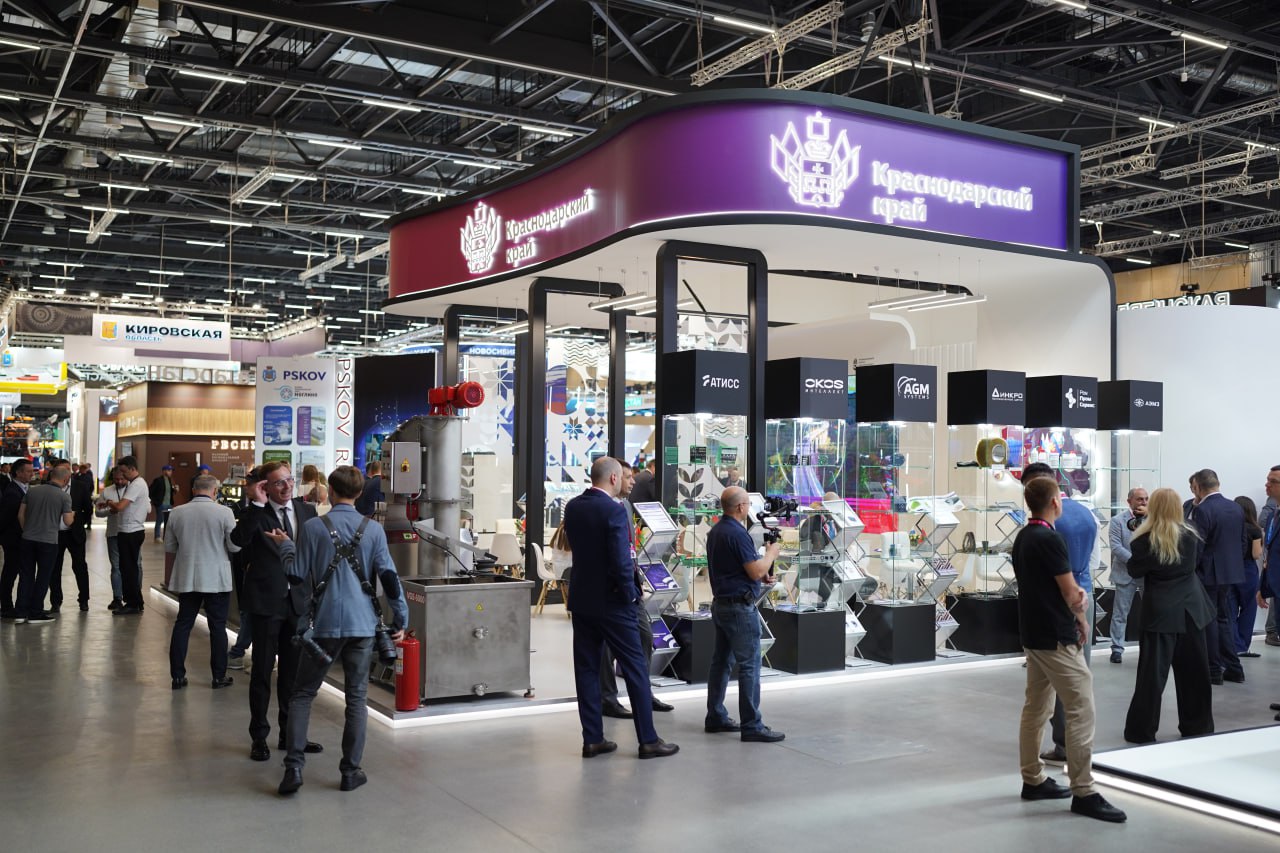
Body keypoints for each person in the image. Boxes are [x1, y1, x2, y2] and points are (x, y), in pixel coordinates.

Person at [273, 465, 409, 795]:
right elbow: (389, 578)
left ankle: (294, 768)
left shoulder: (313, 528)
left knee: (302, 694)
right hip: (363, 626)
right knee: (356, 699)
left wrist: (285, 547)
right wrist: (401, 619)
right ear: (360, 493)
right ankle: (350, 771)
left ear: (330, 492)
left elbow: (295, 575)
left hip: (322, 625)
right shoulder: (373, 531)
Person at [1011, 475, 1126, 823]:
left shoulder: (1024, 536)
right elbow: (1070, 590)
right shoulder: (1050, 539)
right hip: (1056, 637)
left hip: (1034, 635)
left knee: (1037, 707)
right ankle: (1084, 790)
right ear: (1055, 502)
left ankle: (1033, 778)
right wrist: (1082, 610)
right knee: (1081, 707)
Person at [563, 456, 678, 760]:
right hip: (614, 603)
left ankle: (592, 739)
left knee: (587, 670)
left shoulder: (573, 507)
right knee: (635, 667)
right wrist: (631, 596)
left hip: (582, 600)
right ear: (614, 478)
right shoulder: (613, 510)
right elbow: (621, 560)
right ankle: (648, 740)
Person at [231, 461, 320, 763]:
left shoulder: (307, 511)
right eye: (278, 482)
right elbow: (238, 541)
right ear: (264, 487)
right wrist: (256, 503)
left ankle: (290, 734)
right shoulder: (256, 513)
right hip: (266, 604)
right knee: (261, 672)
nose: (287, 486)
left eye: (289, 480)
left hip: (298, 603)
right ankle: (259, 736)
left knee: (292, 676)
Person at [1122, 487, 1215, 743]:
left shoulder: (1145, 539)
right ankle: (1198, 726)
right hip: (1192, 609)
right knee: (1195, 672)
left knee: (1151, 676)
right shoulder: (1191, 534)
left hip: (1160, 613)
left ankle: (1141, 731)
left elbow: (1134, 570)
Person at [1022, 462, 1097, 765]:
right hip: (1082, 594)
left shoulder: (1038, 532)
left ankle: (1061, 757)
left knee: (1051, 697)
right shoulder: (1087, 515)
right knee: (1077, 683)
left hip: (1054, 611)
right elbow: (1093, 561)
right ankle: (1076, 769)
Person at [705, 486, 786, 744]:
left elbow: (738, 569)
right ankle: (752, 725)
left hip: (722, 605)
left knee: (721, 663)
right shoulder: (738, 534)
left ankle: (715, 715)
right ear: (740, 507)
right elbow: (755, 571)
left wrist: (760, 573)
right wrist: (771, 554)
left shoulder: (717, 531)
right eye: (748, 505)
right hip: (739, 609)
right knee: (750, 664)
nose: (749, 509)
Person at [598, 460, 672, 720]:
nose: (633, 482)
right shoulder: (599, 507)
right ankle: (607, 698)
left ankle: (642, 694)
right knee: (606, 647)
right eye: (628, 477)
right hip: (608, 589)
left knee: (644, 636)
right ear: (615, 478)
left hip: (631, 585)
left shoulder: (627, 506)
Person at [165, 473, 240, 690]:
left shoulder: (177, 512)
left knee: (183, 624)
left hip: (187, 577)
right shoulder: (225, 512)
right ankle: (218, 676)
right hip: (216, 579)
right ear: (215, 491)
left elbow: (170, 546)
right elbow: (234, 546)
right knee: (217, 627)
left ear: (193, 490)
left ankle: (177, 676)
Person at [1187, 468, 1246, 685]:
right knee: (1223, 619)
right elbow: (1242, 542)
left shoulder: (1203, 509)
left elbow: (1198, 545)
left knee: (1209, 621)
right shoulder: (1235, 507)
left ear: (1198, 487)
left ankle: (1213, 670)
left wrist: (1190, 571)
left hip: (1208, 574)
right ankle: (1234, 668)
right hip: (1230, 572)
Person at [14, 465, 75, 624]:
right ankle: (35, 613)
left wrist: (26, 531)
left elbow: (20, 515)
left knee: (25, 575)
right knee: (43, 576)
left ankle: (20, 612)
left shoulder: (32, 491)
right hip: (48, 541)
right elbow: (67, 521)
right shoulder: (64, 497)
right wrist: (73, 516)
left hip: (27, 539)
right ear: (66, 479)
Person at [227, 466, 264, 670]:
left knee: (251, 614)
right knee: (248, 613)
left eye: (249, 484)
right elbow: (239, 540)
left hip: (259, 574)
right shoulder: (249, 509)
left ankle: (241, 653)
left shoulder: (263, 512)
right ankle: (241, 653)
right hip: (247, 570)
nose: (245, 487)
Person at [1107, 487, 1148, 664]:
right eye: (1139, 499)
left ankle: (1149, 647)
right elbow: (1116, 547)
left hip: (1147, 573)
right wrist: (1135, 562)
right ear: (1129, 501)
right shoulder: (1117, 521)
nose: (1143, 502)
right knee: (1120, 614)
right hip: (1125, 572)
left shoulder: (1153, 520)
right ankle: (1117, 649)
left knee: (1150, 613)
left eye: (1146, 499)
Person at [106, 456, 150, 616]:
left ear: (132, 468)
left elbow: (120, 507)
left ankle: (132, 603)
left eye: (124, 471)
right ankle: (137, 601)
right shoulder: (136, 483)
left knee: (128, 569)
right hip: (129, 530)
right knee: (129, 568)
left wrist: (109, 502)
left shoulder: (137, 484)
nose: (122, 475)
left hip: (131, 532)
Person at [51, 459, 93, 612]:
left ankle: (84, 600)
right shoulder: (49, 486)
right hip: (54, 534)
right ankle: (55, 602)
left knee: (80, 566)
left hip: (74, 533)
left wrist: (77, 521)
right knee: (54, 568)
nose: (65, 472)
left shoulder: (80, 486)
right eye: (62, 469)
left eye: (67, 469)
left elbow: (88, 509)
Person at [95, 466, 134, 611]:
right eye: (116, 479)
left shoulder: (135, 489)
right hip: (113, 533)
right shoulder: (107, 491)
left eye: (122, 479)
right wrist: (112, 510)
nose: (119, 481)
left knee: (135, 565)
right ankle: (117, 598)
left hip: (131, 532)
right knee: (116, 567)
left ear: (127, 477)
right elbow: (98, 512)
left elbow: (147, 508)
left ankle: (135, 597)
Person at [0, 459, 34, 618]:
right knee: (10, 573)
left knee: (15, 572)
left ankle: (17, 605)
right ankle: (6, 607)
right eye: (28, 471)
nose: (32, 474)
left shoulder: (23, 488)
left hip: (19, 539)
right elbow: (5, 518)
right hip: (14, 540)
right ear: (18, 473)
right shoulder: (12, 492)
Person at [1233, 495, 1263, 658]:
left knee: (1229, 610)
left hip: (1230, 569)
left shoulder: (1230, 527)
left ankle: (1232, 644)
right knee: (1248, 609)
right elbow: (1256, 554)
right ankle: (1242, 646)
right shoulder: (1254, 529)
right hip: (1248, 570)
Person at [1260, 470, 1280, 648]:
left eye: (1273, 481)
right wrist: (1263, 587)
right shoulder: (1272, 514)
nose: (1267, 484)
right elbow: (1270, 553)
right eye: (1268, 480)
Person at [150, 464, 178, 543]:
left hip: (169, 504)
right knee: (160, 520)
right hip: (161, 504)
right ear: (164, 471)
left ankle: (166, 536)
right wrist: (154, 501)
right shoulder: (158, 480)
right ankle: (157, 536)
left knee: (167, 521)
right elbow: (151, 490)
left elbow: (168, 491)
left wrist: (174, 490)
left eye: (171, 470)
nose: (170, 472)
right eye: (169, 470)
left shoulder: (169, 480)